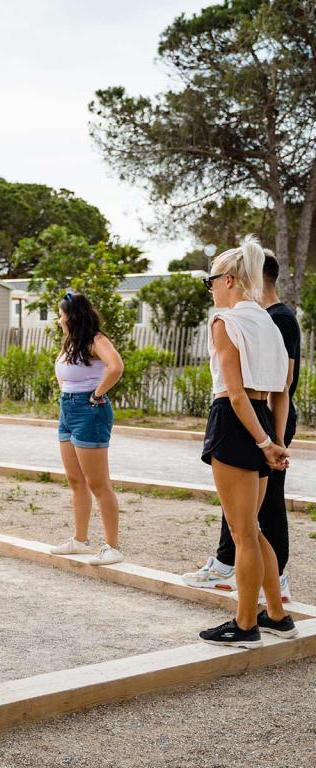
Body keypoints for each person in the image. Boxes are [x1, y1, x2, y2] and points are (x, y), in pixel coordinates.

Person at [196, 237, 297, 648]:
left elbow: (234, 394)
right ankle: (276, 615)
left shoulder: (226, 320)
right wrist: (274, 439)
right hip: (261, 421)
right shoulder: (270, 323)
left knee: (242, 533)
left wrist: (262, 444)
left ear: (232, 280)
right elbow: (282, 390)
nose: (212, 287)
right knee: (253, 530)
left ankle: (245, 624)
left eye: (213, 279)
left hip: (236, 422)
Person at [48, 292, 126, 566]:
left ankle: (112, 547)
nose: (59, 319)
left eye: (61, 314)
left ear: (72, 316)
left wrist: (96, 394)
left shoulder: (96, 340)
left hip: (89, 411)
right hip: (67, 409)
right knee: (75, 481)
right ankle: (80, 541)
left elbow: (116, 366)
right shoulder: (71, 343)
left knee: (98, 483)